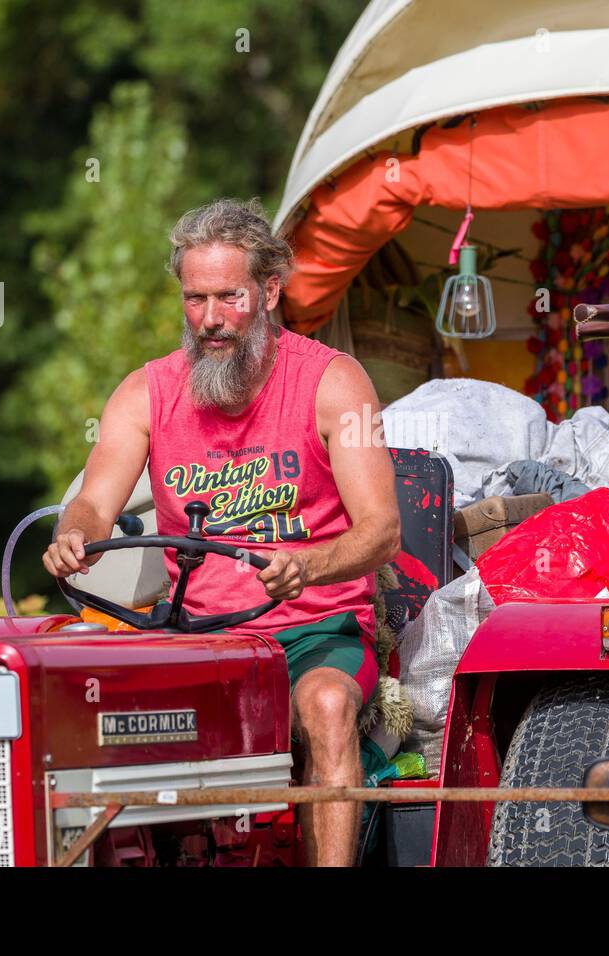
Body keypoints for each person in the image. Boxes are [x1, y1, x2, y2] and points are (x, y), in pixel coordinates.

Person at [43, 198, 401, 866]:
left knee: (325, 705)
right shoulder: (145, 392)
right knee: (78, 710)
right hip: (201, 644)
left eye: (229, 297)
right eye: (195, 298)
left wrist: (310, 564)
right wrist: (74, 535)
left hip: (315, 636)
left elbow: (382, 531)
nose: (211, 319)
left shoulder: (333, 381)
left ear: (268, 291)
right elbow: (93, 502)